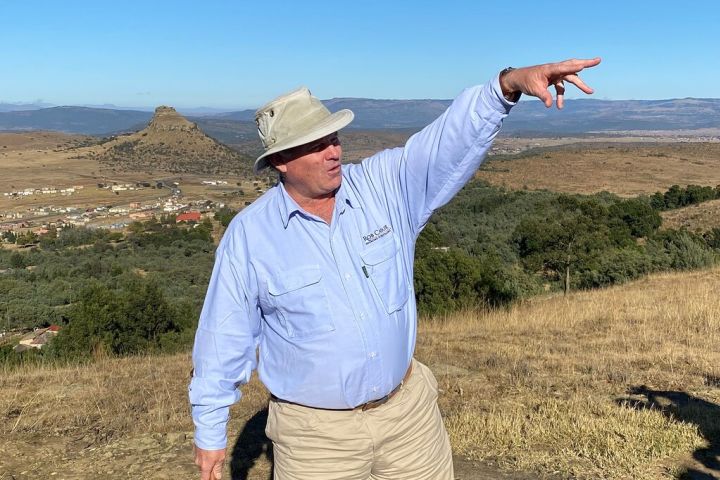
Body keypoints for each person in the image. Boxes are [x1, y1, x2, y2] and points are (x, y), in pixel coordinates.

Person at [190, 57, 601, 480]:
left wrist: (506, 86)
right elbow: (224, 338)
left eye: (333, 137)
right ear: (281, 161)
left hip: (408, 418)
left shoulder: (382, 186)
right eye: (316, 145)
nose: (333, 151)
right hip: (316, 438)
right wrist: (210, 431)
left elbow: (444, 143)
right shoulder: (250, 236)